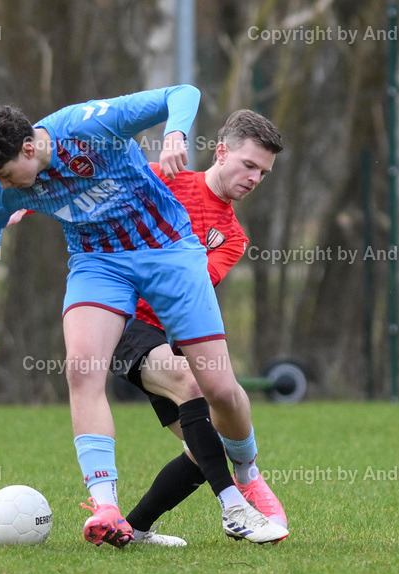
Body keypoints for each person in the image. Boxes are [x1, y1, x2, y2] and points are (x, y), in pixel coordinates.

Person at [0, 85, 287, 548]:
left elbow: (182, 92)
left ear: (30, 147)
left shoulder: (89, 126)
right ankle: (107, 507)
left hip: (168, 252)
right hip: (99, 264)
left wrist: (174, 135)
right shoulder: (6, 186)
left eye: (9, 175)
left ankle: (247, 473)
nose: (6, 186)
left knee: (218, 389)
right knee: (81, 370)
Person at [110, 109, 287, 546]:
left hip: (163, 335)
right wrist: (28, 205)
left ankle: (130, 531)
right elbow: (96, 190)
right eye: (249, 165)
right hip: (119, 318)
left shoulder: (234, 236)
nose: (254, 178)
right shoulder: (163, 180)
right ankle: (235, 506)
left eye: (263, 173)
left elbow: (191, 289)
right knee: (192, 385)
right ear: (221, 152)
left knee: (205, 447)